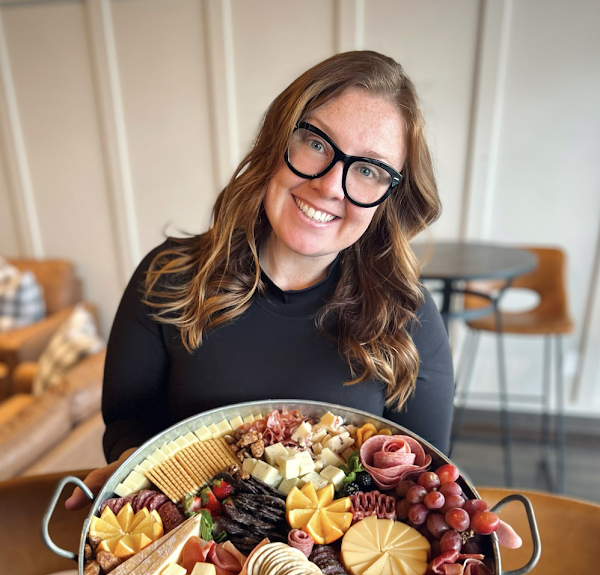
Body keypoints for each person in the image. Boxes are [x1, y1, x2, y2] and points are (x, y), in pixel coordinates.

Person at [66, 50, 453, 511]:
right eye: (315, 143)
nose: (331, 185)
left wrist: (457, 519)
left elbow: (424, 483)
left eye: (369, 170)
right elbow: (129, 424)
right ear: (277, 142)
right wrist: (133, 471)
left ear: (389, 196)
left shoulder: (408, 317)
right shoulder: (168, 278)